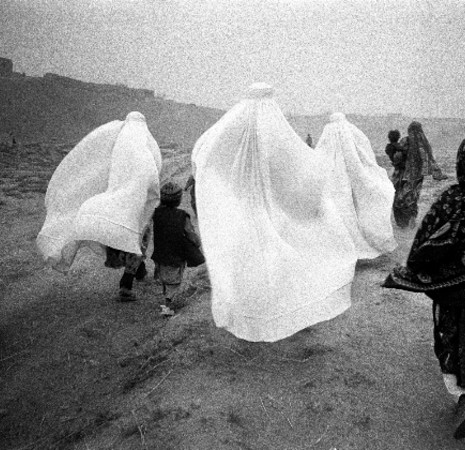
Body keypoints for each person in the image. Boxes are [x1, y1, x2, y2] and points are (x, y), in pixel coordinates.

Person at [191, 82, 357, 342]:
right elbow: (296, 169)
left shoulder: (232, 126)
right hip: (271, 209)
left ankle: (250, 314)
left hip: (242, 209)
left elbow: (207, 157)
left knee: (246, 261)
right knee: (277, 259)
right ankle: (277, 313)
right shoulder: (277, 130)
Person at [382, 133, 465, 439]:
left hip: (454, 296)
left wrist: (417, 268)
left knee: (450, 343)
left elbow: (425, 242)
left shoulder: (450, 201)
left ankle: (463, 397)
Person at [37, 112, 162, 300]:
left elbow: (97, 169)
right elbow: (153, 178)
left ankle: (139, 271)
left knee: (128, 240)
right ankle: (126, 284)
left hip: (116, 205)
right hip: (137, 207)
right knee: (137, 240)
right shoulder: (146, 146)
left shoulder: (117, 142)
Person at [316, 112, 397, 259]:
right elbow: (364, 154)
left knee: (338, 210)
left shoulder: (329, 133)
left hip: (335, 182)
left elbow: (320, 156)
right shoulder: (352, 131)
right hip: (353, 180)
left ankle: (340, 248)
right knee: (354, 210)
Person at [151, 181, 202, 306]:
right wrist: (197, 243)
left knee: (164, 274)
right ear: (178, 200)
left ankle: (166, 295)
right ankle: (168, 304)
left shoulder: (156, 213)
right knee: (174, 279)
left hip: (160, 250)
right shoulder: (182, 216)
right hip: (175, 252)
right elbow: (190, 233)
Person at [392, 121, 447, 229]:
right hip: (418, 178)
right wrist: (438, 174)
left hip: (405, 177)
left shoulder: (406, 140)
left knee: (400, 200)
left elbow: (397, 157)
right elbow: (431, 160)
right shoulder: (424, 144)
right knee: (413, 199)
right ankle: (412, 219)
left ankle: (403, 225)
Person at [385, 129, 407, 225]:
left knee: (395, 196)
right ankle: (404, 219)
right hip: (404, 173)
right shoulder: (402, 148)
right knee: (403, 196)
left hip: (396, 173)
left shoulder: (389, 147)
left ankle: (400, 220)